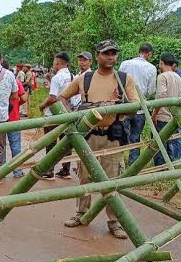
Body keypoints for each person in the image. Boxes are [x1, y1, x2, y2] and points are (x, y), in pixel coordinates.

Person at [59, 40, 139, 240]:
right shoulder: (84, 78)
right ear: (97, 56)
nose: (110, 57)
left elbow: (136, 106)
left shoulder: (124, 79)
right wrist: (72, 118)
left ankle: (115, 221)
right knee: (85, 177)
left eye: (113, 53)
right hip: (88, 137)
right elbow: (62, 98)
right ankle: (81, 214)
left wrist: (116, 107)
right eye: (106, 53)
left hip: (113, 136)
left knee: (112, 180)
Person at [118, 43, 156, 165]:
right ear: (149, 54)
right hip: (140, 107)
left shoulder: (125, 64)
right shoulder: (151, 68)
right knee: (135, 135)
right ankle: (133, 163)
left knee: (120, 134)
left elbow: (118, 82)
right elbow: (151, 90)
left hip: (125, 106)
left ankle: (118, 161)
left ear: (139, 51)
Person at [39, 52, 74, 179]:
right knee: (66, 143)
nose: (53, 66)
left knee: (51, 142)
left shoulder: (56, 78)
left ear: (58, 63)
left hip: (53, 114)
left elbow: (52, 98)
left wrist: (42, 105)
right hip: (66, 113)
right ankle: (66, 170)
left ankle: (49, 170)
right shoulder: (72, 76)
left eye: (54, 63)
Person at [152, 53, 181, 166]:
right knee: (173, 140)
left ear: (162, 63)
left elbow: (161, 96)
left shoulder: (162, 76)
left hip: (163, 114)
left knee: (159, 142)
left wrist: (155, 114)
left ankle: (160, 167)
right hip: (174, 115)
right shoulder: (178, 77)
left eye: (160, 63)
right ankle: (173, 163)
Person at [3, 60, 27, 178]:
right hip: (14, 118)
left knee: (0, 147)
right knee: (16, 146)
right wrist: (17, 104)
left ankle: (0, 174)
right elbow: (24, 98)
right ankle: (17, 171)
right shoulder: (16, 82)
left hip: (0, 119)